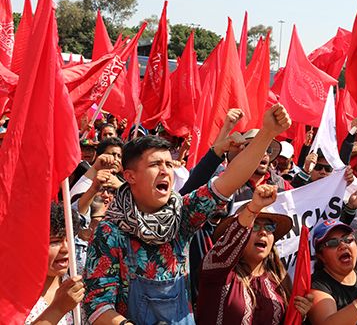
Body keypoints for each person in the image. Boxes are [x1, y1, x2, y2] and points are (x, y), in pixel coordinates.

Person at [83, 104, 291, 324]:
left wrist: (267, 133)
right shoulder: (110, 231)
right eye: (155, 164)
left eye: (169, 164)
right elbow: (97, 304)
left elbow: (230, 180)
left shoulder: (182, 214)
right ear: (130, 176)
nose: (165, 171)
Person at [196, 184, 313, 323]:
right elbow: (231, 241)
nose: (263, 232)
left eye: (269, 227)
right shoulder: (218, 270)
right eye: (255, 225)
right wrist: (253, 209)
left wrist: (300, 314)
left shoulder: (280, 281)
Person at [26, 202, 84, 324]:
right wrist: (58, 309)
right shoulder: (12, 296)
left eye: (69, 240)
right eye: (55, 241)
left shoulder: (80, 282)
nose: (65, 248)